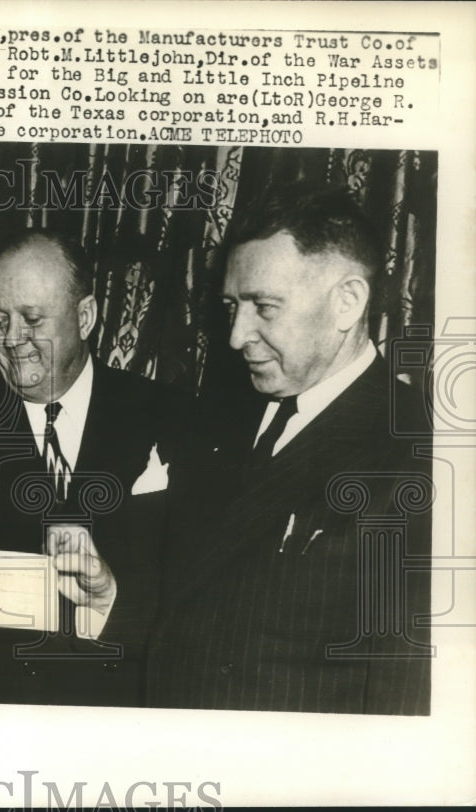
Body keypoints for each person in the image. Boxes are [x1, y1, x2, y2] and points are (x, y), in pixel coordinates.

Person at [145, 183, 432, 714]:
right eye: (233, 306)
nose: (236, 336)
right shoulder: (221, 416)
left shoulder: (418, 452)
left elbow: (405, 698)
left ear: (347, 301)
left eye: (265, 308)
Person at [0, 230, 182, 706]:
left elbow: (188, 597)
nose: (11, 340)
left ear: (85, 316)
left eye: (31, 319)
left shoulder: (172, 418)